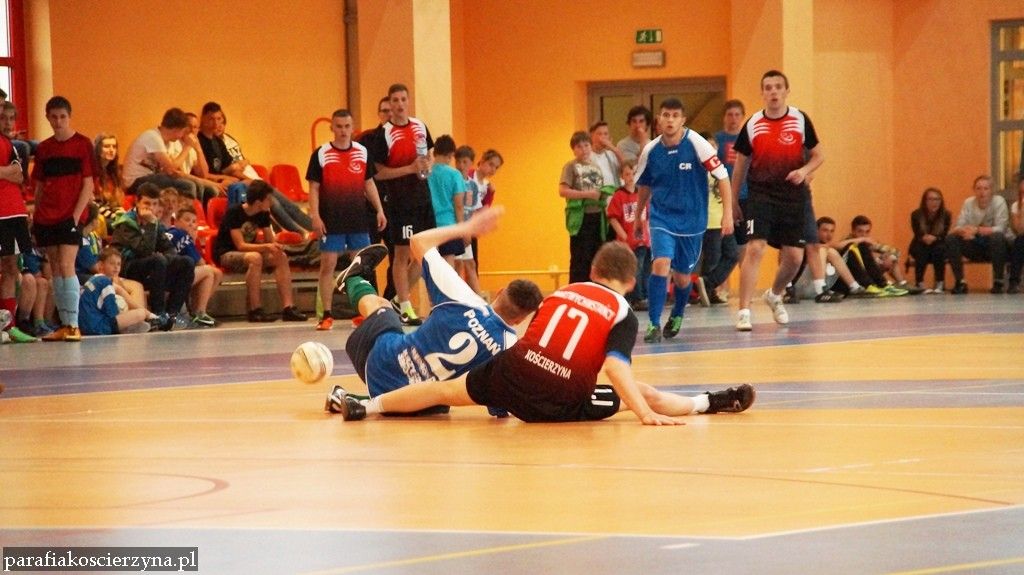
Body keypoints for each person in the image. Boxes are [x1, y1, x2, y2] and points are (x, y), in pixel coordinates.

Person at [329, 240, 756, 424]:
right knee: (641, 392)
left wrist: (500, 399)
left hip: (513, 373)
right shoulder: (622, 310)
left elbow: (537, 342)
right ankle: (709, 402)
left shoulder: (561, 293)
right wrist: (642, 411)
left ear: (592, 271)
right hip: (562, 395)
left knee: (443, 390)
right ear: (630, 281)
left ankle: (367, 406)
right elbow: (614, 368)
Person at [324, 206, 543, 412]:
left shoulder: (463, 298)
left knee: (384, 308)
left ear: (499, 292)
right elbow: (499, 406)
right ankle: (352, 400)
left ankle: (353, 280)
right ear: (521, 319)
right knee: (441, 395)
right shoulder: (509, 348)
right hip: (420, 406)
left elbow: (418, 241)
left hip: (379, 365)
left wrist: (466, 228)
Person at [731, 70, 824, 331]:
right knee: (755, 247)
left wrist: (804, 171)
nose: (773, 91)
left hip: (792, 196)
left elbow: (819, 155)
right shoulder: (752, 124)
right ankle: (744, 311)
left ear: (786, 91)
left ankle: (774, 294)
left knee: (794, 257)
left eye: (778, 87)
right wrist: (734, 201)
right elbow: (740, 166)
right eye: (768, 87)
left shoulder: (800, 119)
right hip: (760, 194)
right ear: (762, 93)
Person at [635, 98, 731, 343]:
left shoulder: (697, 144)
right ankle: (654, 324)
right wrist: (638, 216)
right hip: (662, 218)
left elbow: (722, 177)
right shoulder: (651, 151)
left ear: (683, 120)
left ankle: (677, 313)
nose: (670, 120)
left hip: (692, 221)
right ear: (659, 119)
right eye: (666, 115)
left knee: (682, 278)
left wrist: (728, 214)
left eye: (675, 115)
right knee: (660, 263)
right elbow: (644, 185)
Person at [306, 108, 386, 331]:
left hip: (357, 219)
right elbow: (313, 187)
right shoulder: (321, 154)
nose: (343, 131)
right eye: (339, 126)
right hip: (331, 220)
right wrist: (315, 216)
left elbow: (369, 183)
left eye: (347, 126)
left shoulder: (362, 152)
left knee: (361, 265)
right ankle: (326, 314)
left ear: (352, 128)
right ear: (332, 127)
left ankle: (363, 312)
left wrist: (379, 210)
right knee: (328, 265)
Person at [369, 83, 436, 326]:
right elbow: (378, 173)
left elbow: (429, 156)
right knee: (402, 254)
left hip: (423, 199)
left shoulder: (420, 126)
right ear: (390, 103)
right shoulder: (384, 133)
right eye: (395, 100)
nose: (399, 104)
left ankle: (398, 298)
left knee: (427, 254)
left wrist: (427, 165)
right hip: (400, 202)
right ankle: (407, 307)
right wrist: (409, 169)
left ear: (408, 101)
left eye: (403, 99)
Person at [31, 96, 95, 342]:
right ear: (48, 118)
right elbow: (39, 185)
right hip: (47, 215)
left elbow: (88, 184)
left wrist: (75, 217)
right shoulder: (44, 149)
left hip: (70, 215)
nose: (58, 121)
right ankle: (65, 324)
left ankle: (74, 324)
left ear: (69, 117)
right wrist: (37, 214)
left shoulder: (83, 144)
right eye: (54, 117)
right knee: (55, 267)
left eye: (62, 117)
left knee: (67, 265)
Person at [197, 101, 312, 234]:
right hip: (223, 186)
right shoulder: (200, 141)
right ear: (203, 119)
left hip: (233, 181)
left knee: (273, 192)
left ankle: (313, 227)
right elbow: (206, 174)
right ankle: (299, 233)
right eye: (211, 119)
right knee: (270, 200)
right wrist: (236, 179)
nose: (216, 123)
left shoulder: (218, 141)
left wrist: (249, 179)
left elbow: (228, 168)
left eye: (219, 119)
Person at [212, 180, 308, 323]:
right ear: (258, 202)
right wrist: (266, 247)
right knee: (255, 258)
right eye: (268, 199)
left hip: (251, 253)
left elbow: (270, 241)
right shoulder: (234, 212)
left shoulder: (263, 214)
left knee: (280, 256)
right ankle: (255, 309)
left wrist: (275, 246)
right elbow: (240, 245)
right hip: (227, 253)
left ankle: (288, 307)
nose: (271, 202)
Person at [110, 183, 195, 330]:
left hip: (152, 267)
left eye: (154, 204)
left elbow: (169, 248)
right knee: (157, 260)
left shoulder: (154, 223)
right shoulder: (126, 223)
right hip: (127, 267)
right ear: (137, 202)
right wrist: (150, 224)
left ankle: (172, 314)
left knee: (186, 262)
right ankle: (157, 314)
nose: (151, 208)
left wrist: (167, 258)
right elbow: (144, 251)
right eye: (147, 203)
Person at [0, 99, 35, 343]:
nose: (8, 122)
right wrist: (7, 172)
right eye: (3, 117)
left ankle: (8, 325)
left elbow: (20, 175)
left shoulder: (11, 145)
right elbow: (12, 172)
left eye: (11, 118)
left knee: (12, 268)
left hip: (14, 212)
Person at [945, 175, 1009, 294]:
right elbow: (958, 226)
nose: (982, 192)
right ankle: (960, 282)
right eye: (978, 188)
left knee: (997, 237)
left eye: (986, 188)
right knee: (951, 238)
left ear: (991, 190)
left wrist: (977, 230)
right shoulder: (968, 203)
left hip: (994, 246)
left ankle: (998, 281)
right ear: (974, 190)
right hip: (974, 243)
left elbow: (1001, 228)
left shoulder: (999, 201)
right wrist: (965, 231)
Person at [560, 130, 607, 284]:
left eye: (586, 145)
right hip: (581, 218)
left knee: (596, 257)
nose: (584, 149)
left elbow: (598, 190)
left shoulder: (596, 167)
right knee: (580, 258)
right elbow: (563, 191)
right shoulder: (570, 166)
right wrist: (587, 194)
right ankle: (577, 288)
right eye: (579, 147)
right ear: (574, 150)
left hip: (597, 216)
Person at [122, 108, 200, 200]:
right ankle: (184, 209)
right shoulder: (153, 137)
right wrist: (188, 146)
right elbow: (171, 169)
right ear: (176, 130)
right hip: (136, 182)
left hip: (152, 178)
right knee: (188, 186)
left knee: (200, 187)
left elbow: (173, 170)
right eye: (183, 132)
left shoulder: (167, 142)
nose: (182, 136)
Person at [606, 159, 650, 311]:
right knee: (633, 269)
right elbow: (612, 217)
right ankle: (636, 297)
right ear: (622, 176)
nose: (631, 177)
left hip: (643, 239)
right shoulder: (619, 195)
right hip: (628, 241)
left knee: (644, 268)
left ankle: (643, 296)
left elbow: (648, 216)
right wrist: (623, 235)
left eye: (633, 174)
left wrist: (648, 234)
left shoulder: (643, 193)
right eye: (627, 174)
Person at [167, 204, 221, 327]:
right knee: (209, 272)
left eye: (194, 221)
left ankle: (196, 310)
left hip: (171, 275)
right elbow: (201, 263)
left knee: (215, 272)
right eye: (187, 220)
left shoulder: (172, 233)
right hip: (172, 278)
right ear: (176, 221)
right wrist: (193, 239)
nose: (191, 224)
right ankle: (199, 312)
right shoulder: (181, 234)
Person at [78, 247, 150, 336]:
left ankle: (134, 324)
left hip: (85, 326)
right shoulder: (105, 282)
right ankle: (128, 327)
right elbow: (112, 313)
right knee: (141, 313)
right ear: (101, 265)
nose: (116, 267)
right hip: (98, 327)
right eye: (112, 263)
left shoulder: (95, 279)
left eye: (118, 264)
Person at [426, 135, 467, 266]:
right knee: (448, 263)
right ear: (450, 155)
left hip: (429, 224)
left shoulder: (426, 173)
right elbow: (458, 205)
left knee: (430, 263)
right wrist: (462, 229)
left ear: (435, 152)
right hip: (448, 225)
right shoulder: (454, 175)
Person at [908, 187, 952, 294]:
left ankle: (940, 282)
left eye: (937, 199)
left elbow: (944, 234)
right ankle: (919, 283)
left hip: (939, 243)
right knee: (921, 249)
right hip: (920, 242)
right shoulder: (916, 215)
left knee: (939, 249)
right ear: (925, 201)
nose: (934, 202)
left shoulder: (946, 215)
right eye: (930, 199)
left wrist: (935, 238)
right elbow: (917, 233)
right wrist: (924, 237)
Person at [92, 133, 127, 227]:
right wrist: (114, 216)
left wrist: (121, 214)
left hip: (110, 214)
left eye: (114, 147)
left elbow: (115, 202)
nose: (111, 150)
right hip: (96, 215)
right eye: (107, 146)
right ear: (98, 149)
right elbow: (93, 204)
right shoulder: (91, 173)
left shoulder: (114, 173)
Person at [589, 121, 625, 188]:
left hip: (614, 193)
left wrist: (613, 148)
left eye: (605, 134)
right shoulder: (587, 156)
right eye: (599, 134)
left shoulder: (612, 154)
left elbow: (626, 166)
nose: (603, 137)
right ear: (591, 136)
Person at [1007, 179, 1024, 294]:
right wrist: (1022, 211)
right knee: (1019, 241)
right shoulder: (1015, 206)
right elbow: (1019, 230)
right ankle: (1014, 282)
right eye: (1022, 192)